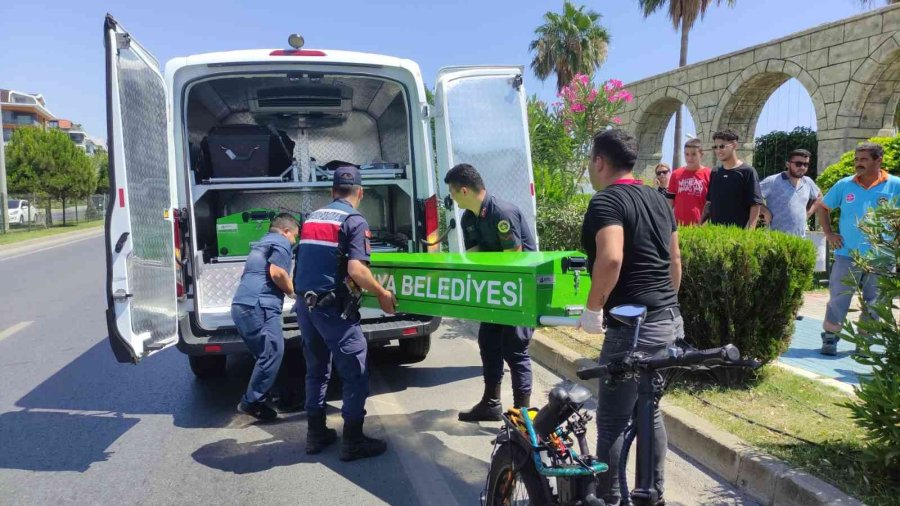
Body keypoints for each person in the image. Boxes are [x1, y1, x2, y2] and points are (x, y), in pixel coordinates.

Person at [577, 129, 682, 505]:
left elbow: (611, 258)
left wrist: (593, 308)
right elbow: (674, 261)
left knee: (613, 422)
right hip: (668, 318)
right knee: (649, 412)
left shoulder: (606, 201)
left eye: (591, 161)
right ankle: (653, 496)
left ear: (600, 162)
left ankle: (611, 498)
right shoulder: (658, 199)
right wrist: (666, 305)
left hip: (631, 327)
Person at [294, 164, 396, 460]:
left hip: (305, 305)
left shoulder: (313, 217)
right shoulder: (354, 220)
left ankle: (316, 434)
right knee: (356, 372)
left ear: (332, 191)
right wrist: (383, 294)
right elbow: (356, 268)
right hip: (331, 309)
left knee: (317, 370)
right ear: (360, 192)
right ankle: (353, 441)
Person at [444, 163, 537, 421]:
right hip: (496, 290)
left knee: (514, 349)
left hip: (520, 290)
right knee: (488, 342)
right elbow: (476, 260)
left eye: (452, 192)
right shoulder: (468, 218)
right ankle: (491, 404)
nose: (451, 198)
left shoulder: (502, 213)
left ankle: (523, 417)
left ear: (464, 191)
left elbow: (513, 260)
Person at [813, 143, 900, 355]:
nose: (858, 164)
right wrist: (829, 233)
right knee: (839, 297)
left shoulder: (895, 185)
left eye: (863, 159)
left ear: (878, 160)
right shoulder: (845, 184)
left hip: (882, 257)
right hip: (847, 254)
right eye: (856, 159)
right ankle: (831, 337)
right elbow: (823, 208)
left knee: (876, 301)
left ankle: (865, 342)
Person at [231, 213, 299, 421]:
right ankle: (251, 402)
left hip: (242, 306)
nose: (295, 241)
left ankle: (285, 398)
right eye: (295, 236)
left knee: (267, 354)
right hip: (259, 306)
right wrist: (294, 293)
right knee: (272, 353)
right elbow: (277, 273)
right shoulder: (281, 242)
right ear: (286, 231)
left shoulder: (262, 243)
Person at [702, 129, 764, 228]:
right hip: (715, 233)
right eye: (715, 147)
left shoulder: (748, 172)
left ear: (734, 146)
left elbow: (755, 205)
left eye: (722, 146)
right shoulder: (715, 172)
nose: (718, 150)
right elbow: (709, 203)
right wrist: (701, 225)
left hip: (738, 234)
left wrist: (749, 233)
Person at [759, 149, 821, 238]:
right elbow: (752, 196)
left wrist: (808, 213)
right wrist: (765, 211)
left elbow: (819, 196)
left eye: (806, 164)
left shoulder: (808, 182)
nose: (802, 167)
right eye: (798, 164)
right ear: (788, 164)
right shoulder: (773, 181)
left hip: (800, 240)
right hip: (775, 239)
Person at [666, 138, 711, 226]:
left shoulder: (709, 174)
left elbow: (711, 203)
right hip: (678, 225)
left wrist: (703, 223)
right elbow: (669, 202)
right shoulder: (676, 174)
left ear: (701, 154)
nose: (690, 158)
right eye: (687, 154)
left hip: (701, 226)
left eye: (694, 154)